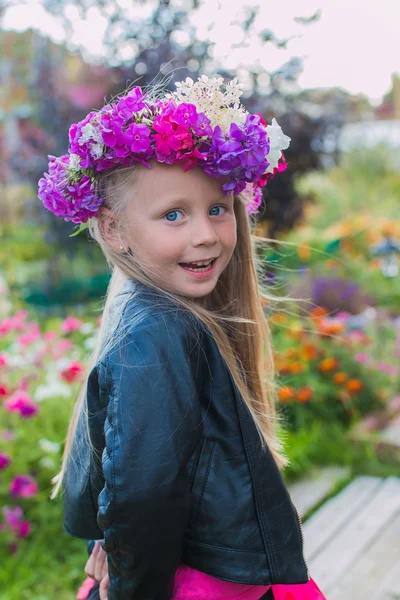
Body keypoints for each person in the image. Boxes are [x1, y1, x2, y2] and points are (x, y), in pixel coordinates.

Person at [39, 75, 326, 600]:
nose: (205, 234)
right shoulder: (158, 334)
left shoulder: (153, 311)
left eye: (217, 208)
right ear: (113, 229)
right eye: (174, 214)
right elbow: (141, 495)